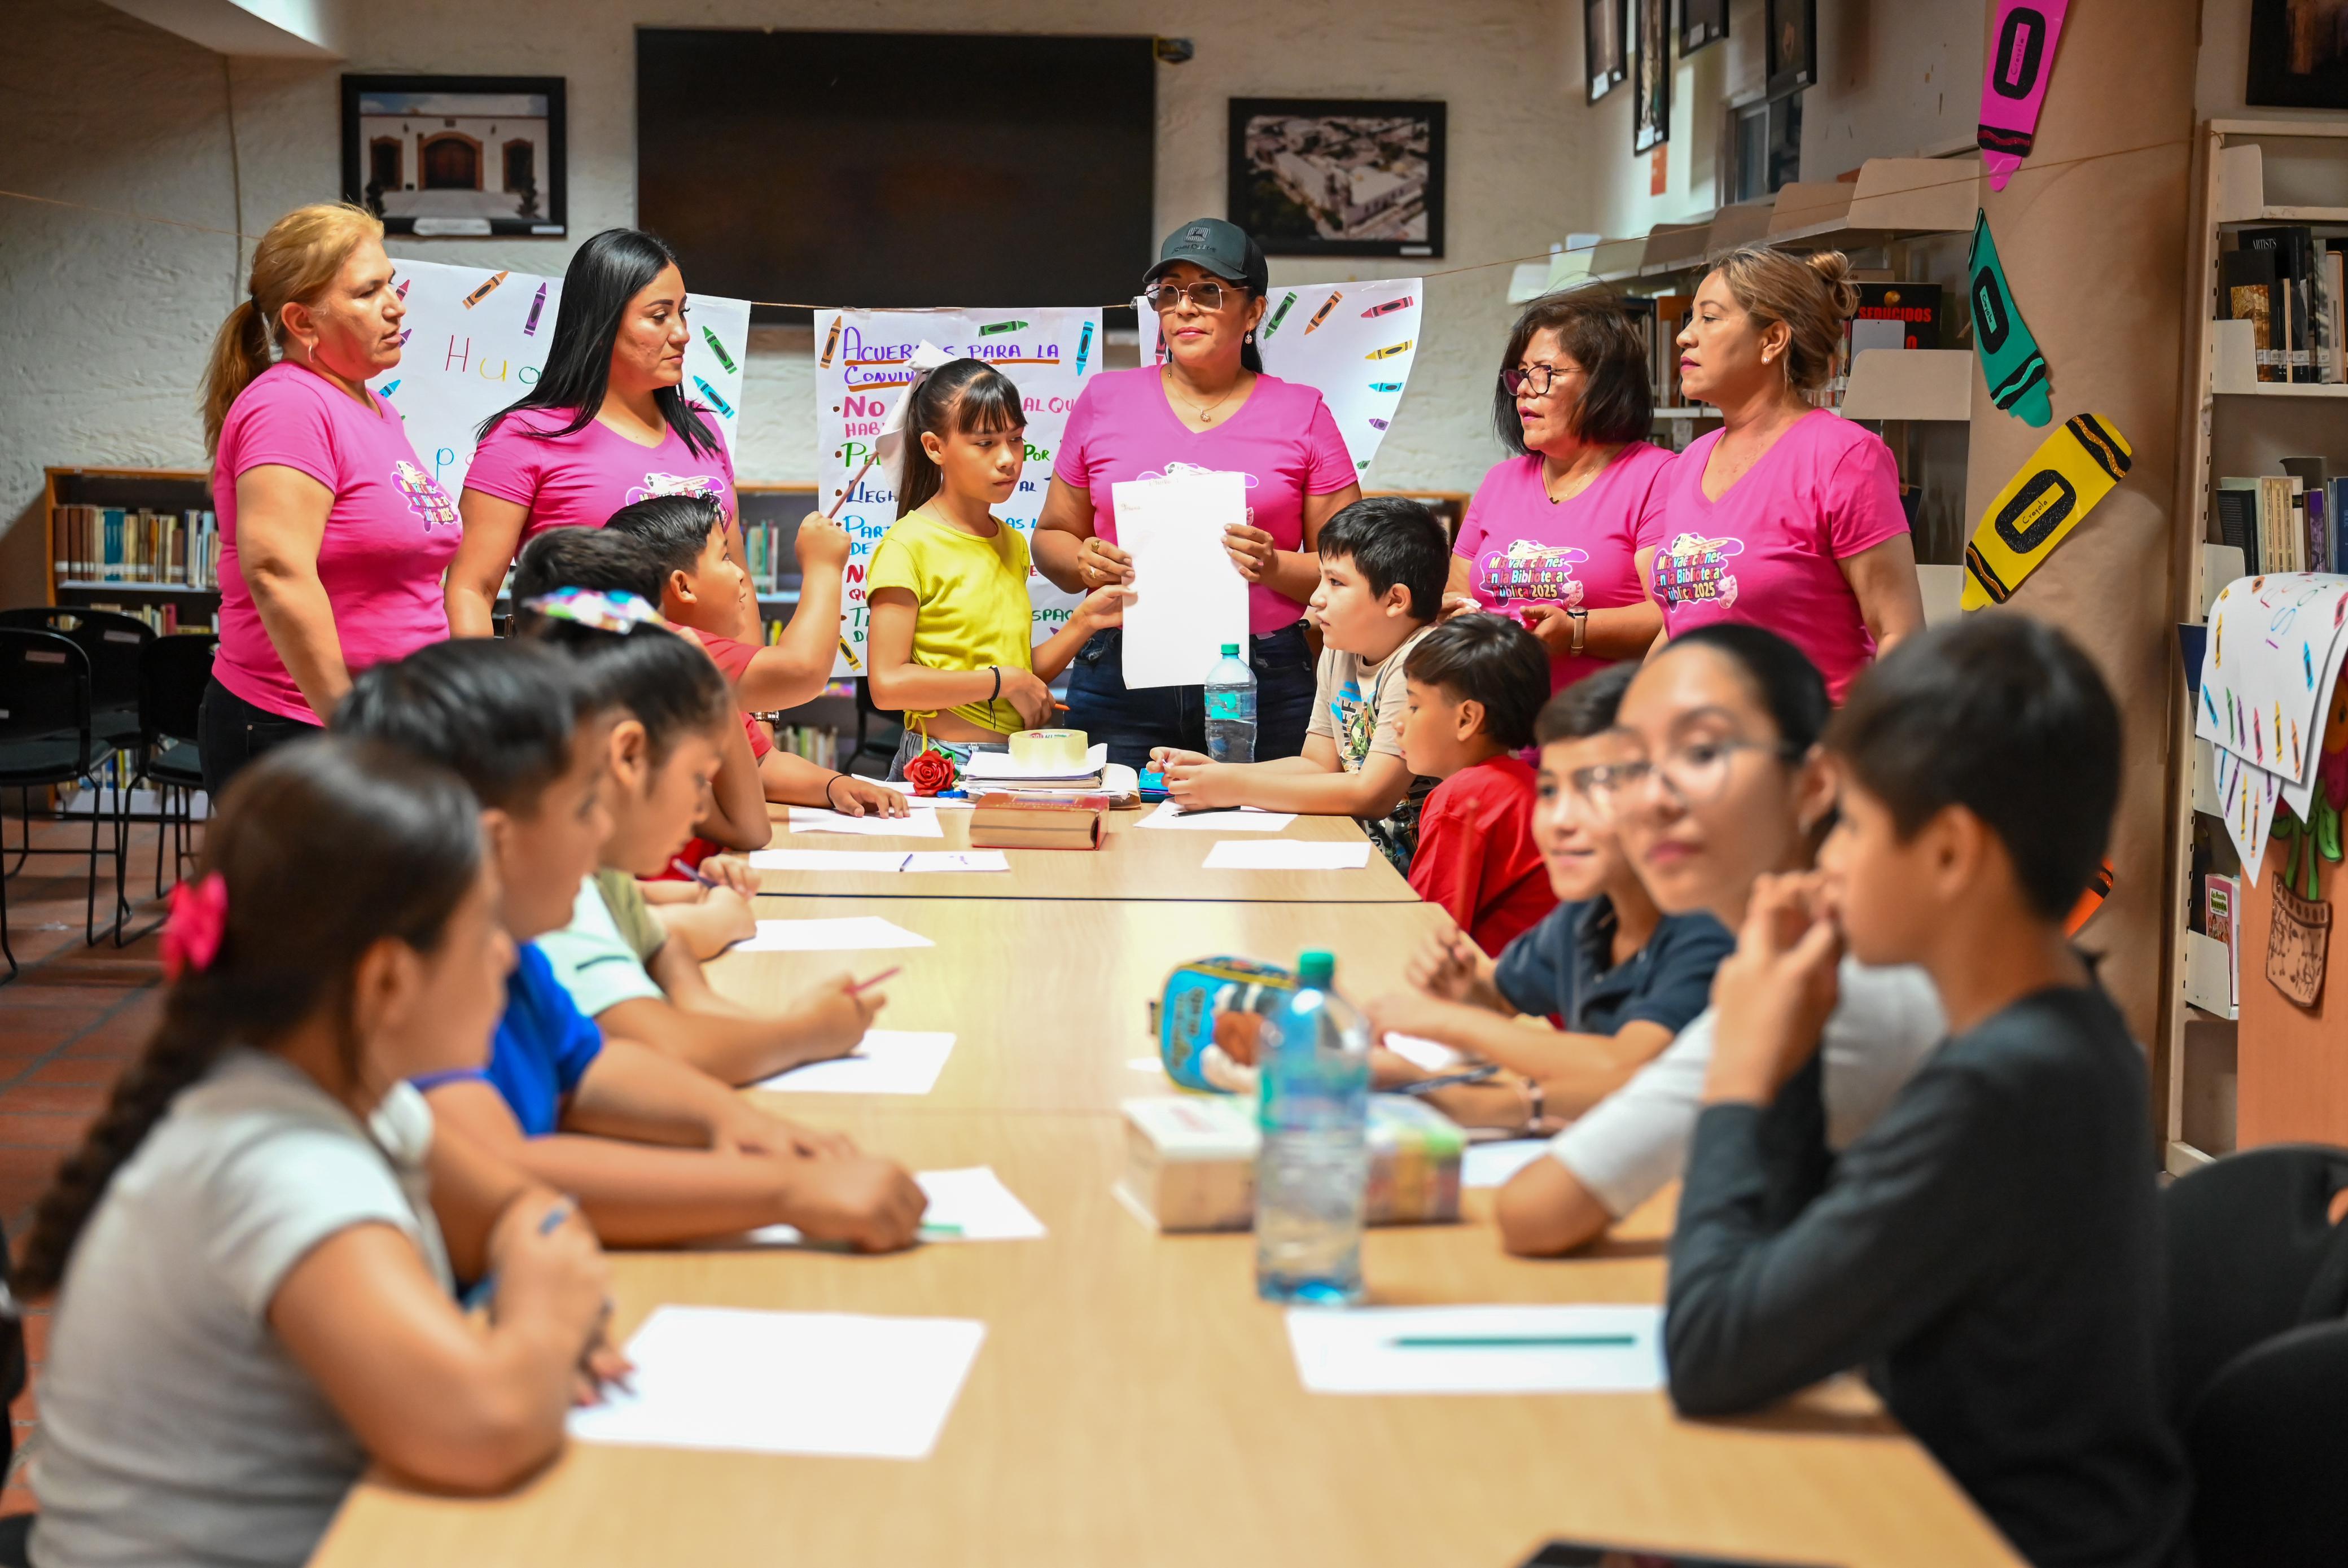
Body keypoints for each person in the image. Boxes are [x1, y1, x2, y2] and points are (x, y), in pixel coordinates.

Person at [1665, 615, 2188, 1568]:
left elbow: (1710, 1349)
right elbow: (1794, 1262)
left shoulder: (2007, 1088)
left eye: (1854, 828)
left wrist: (1738, 1072)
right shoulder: (2063, 1026)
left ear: (1950, 852)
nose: (1826, 860)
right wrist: (1794, 1050)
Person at [22, 739, 617, 1567]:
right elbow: (485, 1428)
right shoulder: (278, 1164)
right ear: (386, 982)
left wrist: (529, 1315)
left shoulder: (361, 1097)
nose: (508, 954)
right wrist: (544, 1320)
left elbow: (524, 1207)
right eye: (484, 926)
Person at [333, 639, 927, 1251]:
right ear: (497, 841)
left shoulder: (505, 947)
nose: (601, 831)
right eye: (584, 808)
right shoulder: (408, 988)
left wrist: (734, 1121)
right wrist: (784, 1191)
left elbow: (592, 1068)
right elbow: (500, 1175)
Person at [1493, 624, 1945, 1258]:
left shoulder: (1835, 970)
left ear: (1814, 782)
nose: (1652, 799)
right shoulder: (1791, 944)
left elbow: (1536, 1212)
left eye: (1701, 753)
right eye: (1629, 768)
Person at [1033, 218, 1363, 769]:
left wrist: (1272, 565)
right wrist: (1083, 560)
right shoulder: (1104, 400)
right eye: (1169, 292)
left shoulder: (1302, 412)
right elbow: (1051, 538)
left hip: (1264, 676)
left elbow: (1352, 569)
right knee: (1117, 819)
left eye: (1208, 291)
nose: (1183, 308)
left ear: (1254, 311)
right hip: (1121, 669)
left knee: (1268, 822)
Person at [521, 590, 881, 1085]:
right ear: (628, 754)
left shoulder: (593, 873)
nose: (700, 809)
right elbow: (676, 1050)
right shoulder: (550, 897)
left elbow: (685, 987)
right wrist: (808, 1031)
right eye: (697, 778)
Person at [1369, 664, 1733, 1134]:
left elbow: (1627, 1067)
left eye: (1595, 789)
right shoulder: (1591, 914)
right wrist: (1464, 989)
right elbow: (1500, 994)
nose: (1560, 820)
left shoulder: (1709, 927)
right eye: (1549, 790)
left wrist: (1447, 1025)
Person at [196, 203, 462, 798]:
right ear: (302, 321)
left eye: (391, 283)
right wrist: (350, 727)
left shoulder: (374, 407)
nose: (396, 305)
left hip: (389, 722)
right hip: (306, 730)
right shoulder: (290, 405)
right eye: (368, 292)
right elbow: (276, 571)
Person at [444, 227, 765, 642]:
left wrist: (756, 683)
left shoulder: (702, 428)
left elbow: (739, 579)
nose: (682, 333)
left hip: (708, 680)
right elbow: (471, 589)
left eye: (682, 313)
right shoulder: (525, 438)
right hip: (585, 678)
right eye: (659, 316)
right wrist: (480, 683)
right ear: (601, 325)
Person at [1642, 246, 1925, 703]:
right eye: (1691, 319)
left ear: (1772, 339)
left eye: (1709, 318)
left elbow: (1900, 635)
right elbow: (1679, 625)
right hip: (1695, 736)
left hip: (1808, 738)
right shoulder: (1689, 461)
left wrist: (1851, 743)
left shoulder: (1844, 456)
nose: (1684, 337)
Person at [864, 357, 1132, 779]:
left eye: (1016, 439)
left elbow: (1019, 671)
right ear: (935, 447)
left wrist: (1086, 621)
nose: (1008, 458)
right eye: (985, 443)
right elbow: (887, 685)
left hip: (1013, 762)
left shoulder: (1011, 543)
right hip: (943, 763)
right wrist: (1004, 682)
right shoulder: (907, 545)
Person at [1152, 497, 1444, 869]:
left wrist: (1235, 787)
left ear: (1395, 599)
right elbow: (1317, 765)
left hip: (1419, 872)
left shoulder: (1420, 664)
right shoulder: (1342, 649)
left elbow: (1372, 794)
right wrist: (1217, 773)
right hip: (1360, 856)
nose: (1316, 598)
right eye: (1321, 578)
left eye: (1336, 582)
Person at [602, 495, 901, 814]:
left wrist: (834, 786)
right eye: (725, 558)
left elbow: (760, 764)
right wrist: (824, 566)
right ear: (683, 586)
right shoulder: (669, 651)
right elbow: (802, 671)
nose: (741, 574)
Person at [1447, 292, 1671, 691]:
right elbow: (1458, 591)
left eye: (1544, 372)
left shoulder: (1658, 476)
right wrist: (1453, 614)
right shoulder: (1501, 480)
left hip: (1597, 718)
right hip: (1494, 713)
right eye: (1521, 374)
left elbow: (1672, 613)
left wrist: (1576, 631)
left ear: (1603, 382)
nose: (1524, 390)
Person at [1392, 613, 1558, 952]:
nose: (1399, 722)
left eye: (1414, 706)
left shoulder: (1462, 799)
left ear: (1467, 719)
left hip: (1502, 984)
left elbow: (1429, 938)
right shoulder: (1526, 782)